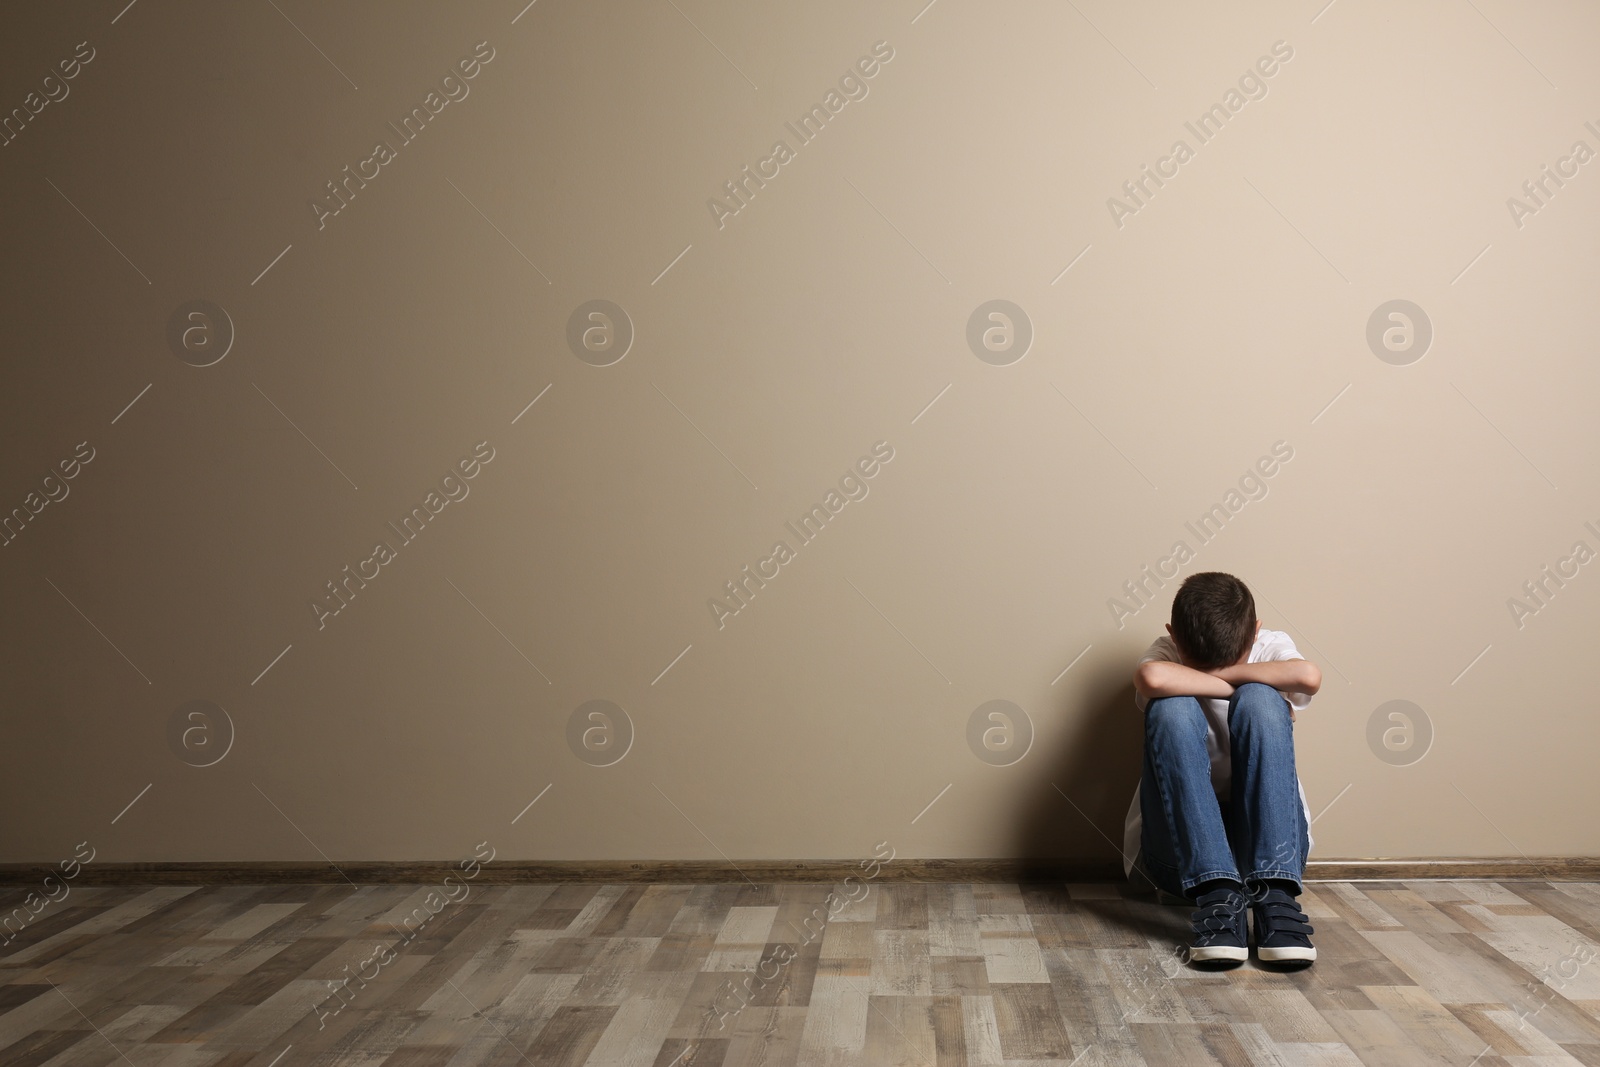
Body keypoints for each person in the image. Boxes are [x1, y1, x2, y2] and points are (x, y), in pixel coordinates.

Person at [1121, 571, 1321, 965]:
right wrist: (1238, 682)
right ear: (1172, 636)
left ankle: (1276, 898)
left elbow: (1308, 676)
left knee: (1261, 702)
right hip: (1179, 860)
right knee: (1171, 708)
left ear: (1256, 633)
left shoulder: (1271, 645)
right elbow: (1151, 677)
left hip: (1269, 856)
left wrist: (1219, 682)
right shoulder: (1165, 650)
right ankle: (1217, 895)